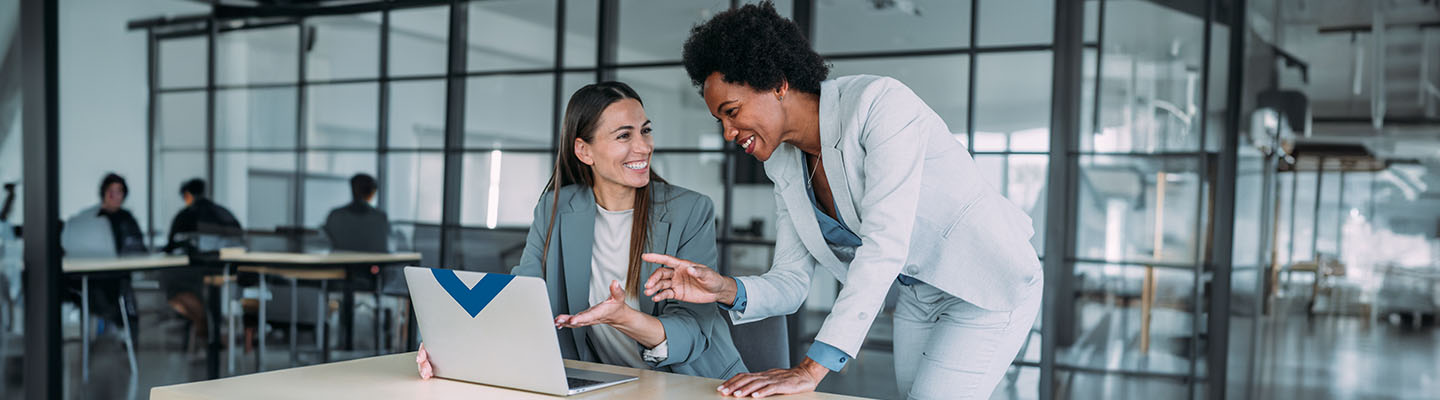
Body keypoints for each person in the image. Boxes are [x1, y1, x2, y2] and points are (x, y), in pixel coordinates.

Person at [640, 3, 1044, 398]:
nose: (728, 132)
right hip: (919, 293)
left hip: (986, 281)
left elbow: (884, 245)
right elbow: (791, 280)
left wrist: (810, 370)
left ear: (778, 83)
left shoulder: (879, 105)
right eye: (720, 121)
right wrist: (723, 289)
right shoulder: (783, 164)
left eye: (732, 111)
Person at [415, 82, 747, 380]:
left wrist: (625, 318)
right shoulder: (556, 208)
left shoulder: (689, 210)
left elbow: (693, 329)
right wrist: (452, 348)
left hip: (691, 383)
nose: (643, 147)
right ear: (584, 150)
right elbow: (521, 298)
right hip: (602, 384)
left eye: (645, 131)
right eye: (624, 135)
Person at [61, 173, 149, 334]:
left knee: (109, 294)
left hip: (114, 276)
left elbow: (137, 249)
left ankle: (120, 328)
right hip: (84, 273)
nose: (114, 195)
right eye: (110, 190)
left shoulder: (126, 219)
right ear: (104, 192)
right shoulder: (87, 218)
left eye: (119, 191)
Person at [161, 178, 243, 342]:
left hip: (195, 272)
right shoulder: (223, 213)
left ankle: (204, 325)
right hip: (228, 271)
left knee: (172, 286)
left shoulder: (185, 216)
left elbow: (172, 246)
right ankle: (206, 327)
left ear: (187, 195)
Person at [322, 174, 391, 253]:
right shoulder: (380, 217)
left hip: (342, 263)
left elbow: (325, 241)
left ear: (352, 189)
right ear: (372, 192)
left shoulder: (335, 215)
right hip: (374, 263)